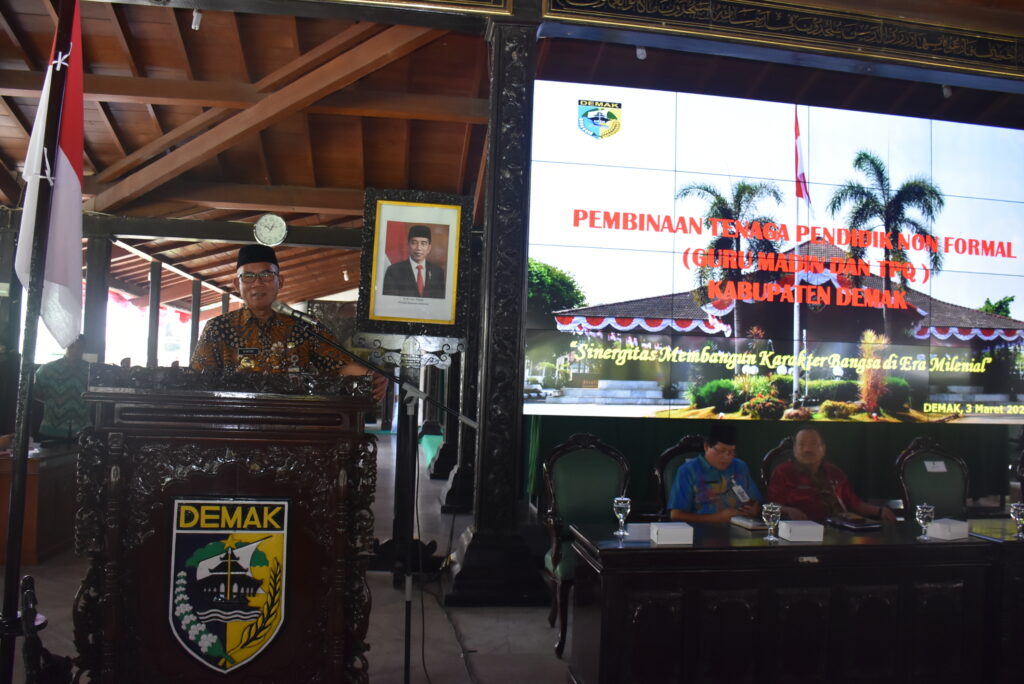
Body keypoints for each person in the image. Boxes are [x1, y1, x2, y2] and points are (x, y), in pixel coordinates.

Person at [191, 245, 386, 400]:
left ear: (280, 281)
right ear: (237, 284)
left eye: (266, 275)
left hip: (291, 424)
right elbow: (196, 379)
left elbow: (338, 365)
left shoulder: (302, 326)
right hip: (236, 424)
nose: (257, 283)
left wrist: (372, 377)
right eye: (248, 277)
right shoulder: (218, 328)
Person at [767, 427, 896, 523]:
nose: (807, 450)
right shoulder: (783, 472)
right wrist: (789, 511)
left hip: (835, 530)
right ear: (794, 450)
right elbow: (770, 506)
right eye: (801, 445)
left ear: (823, 449)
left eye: (813, 445)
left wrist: (880, 511)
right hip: (797, 532)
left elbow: (855, 504)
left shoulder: (834, 472)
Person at [668, 423, 762, 523]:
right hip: (701, 533)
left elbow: (756, 502)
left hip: (740, 530)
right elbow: (676, 515)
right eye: (722, 451)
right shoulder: (688, 470)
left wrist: (756, 510)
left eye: (731, 452)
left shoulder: (740, 467)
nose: (727, 457)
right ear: (706, 446)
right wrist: (716, 518)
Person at [33, 334, 91, 441]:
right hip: (51, 428)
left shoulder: (91, 371)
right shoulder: (47, 370)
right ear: (67, 346)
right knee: (50, 458)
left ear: (84, 348)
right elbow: (36, 393)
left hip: (82, 430)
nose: (76, 350)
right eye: (73, 346)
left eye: (80, 347)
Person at [381, 224, 446, 298]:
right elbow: (389, 302)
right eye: (414, 243)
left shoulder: (437, 272)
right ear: (408, 245)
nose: (419, 248)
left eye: (423, 243)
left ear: (429, 248)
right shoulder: (393, 271)